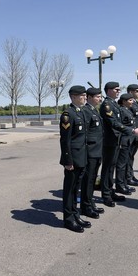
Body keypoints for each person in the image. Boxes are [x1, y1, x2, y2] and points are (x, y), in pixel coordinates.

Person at [99, 82, 138, 207]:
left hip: (116, 140)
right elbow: (114, 123)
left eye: (119, 89)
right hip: (109, 141)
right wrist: (132, 130)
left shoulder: (114, 104)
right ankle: (106, 195)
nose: (119, 91)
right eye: (116, 89)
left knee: (112, 167)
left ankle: (110, 191)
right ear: (108, 90)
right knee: (108, 169)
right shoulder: (107, 105)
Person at [59, 85, 91, 233]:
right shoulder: (68, 114)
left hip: (82, 156)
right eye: (82, 95)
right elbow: (65, 141)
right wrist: (68, 161)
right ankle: (68, 219)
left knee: (76, 188)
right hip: (72, 159)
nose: (85, 97)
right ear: (73, 97)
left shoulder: (82, 112)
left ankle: (75, 214)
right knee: (69, 189)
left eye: (85, 95)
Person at [80, 87, 105, 219]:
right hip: (90, 151)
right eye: (97, 97)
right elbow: (84, 134)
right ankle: (85, 206)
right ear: (89, 97)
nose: (100, 99)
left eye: (100, 97)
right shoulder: (85, 111)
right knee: (88, 180)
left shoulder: (93, 110)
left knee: (93, 179)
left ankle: (90, 202)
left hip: (97, 150)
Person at [115, 93, 137, 195]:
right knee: (121, 164)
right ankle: (120, 186)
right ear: (124, 101)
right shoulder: (121, 110)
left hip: (129, 140)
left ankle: (124, 184)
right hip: (123, 140)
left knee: (125, 162)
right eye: (130, 100)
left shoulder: (127, 110)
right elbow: (120, 126)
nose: (132, 102)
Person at [126, 84, 138, 186]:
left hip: (137, 135)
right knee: (128, 157)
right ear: (130, 92)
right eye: (137, 91)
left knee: (131, 156)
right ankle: (128, 177)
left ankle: (130, 175)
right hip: (131, 135)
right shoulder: (129, 104)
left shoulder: (136, 103)